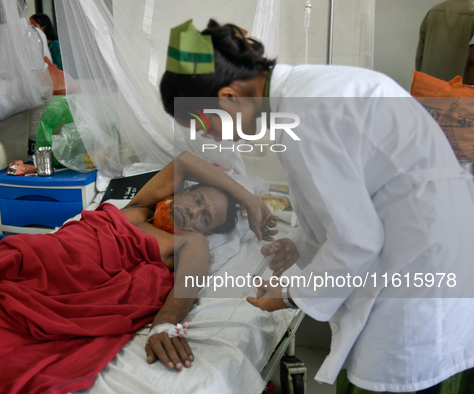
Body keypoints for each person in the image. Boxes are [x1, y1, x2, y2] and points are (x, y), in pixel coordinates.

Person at [159, 19, 474, 393]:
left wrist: (291, 295)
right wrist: (302, 245)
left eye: (202, 124)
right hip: (432, 250)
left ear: (228, 98)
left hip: (416, 278)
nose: (207, 135)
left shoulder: (307, 114)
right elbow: (353, 205)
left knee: (390, 378)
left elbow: (357, 240)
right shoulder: (309, 90)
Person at [0, 151, 275, 392]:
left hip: (65, 289)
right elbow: (188, 159)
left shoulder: (191, 244)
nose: (195, 213)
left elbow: (185, 287)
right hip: (38, 258)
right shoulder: (138, 207)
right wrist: (249, 200)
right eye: (198, 200)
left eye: (206, 219)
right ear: (183, 191)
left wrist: (164, 325)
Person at [416, 0, 474, 81]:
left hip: (428, 85)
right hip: (456, 88)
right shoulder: (472, 13)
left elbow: (420, 56)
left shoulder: (433, 11)